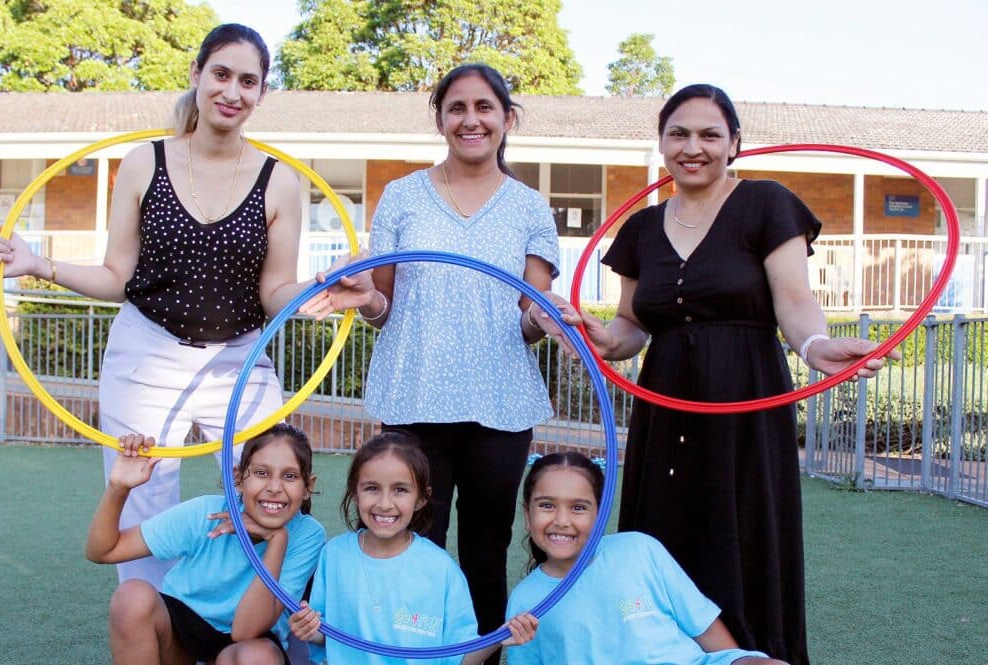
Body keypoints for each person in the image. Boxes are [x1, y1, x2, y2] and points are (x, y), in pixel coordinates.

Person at [0, 23, 375, 585]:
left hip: (240, 357)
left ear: (262, 93)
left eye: (248, 81)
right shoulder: (146, 163)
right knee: (145, 500)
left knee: (273, 487)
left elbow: (274, 293)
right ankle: (152, 625)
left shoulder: (279, 182)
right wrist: (38, 264)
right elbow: (119, 276)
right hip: (146, 353)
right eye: (220, 74)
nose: (232, 92)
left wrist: (327, 294)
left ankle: (256, 628)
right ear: (196, 74)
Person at [530, 84, 900, 664]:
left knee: (746, 527)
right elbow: (631, 326)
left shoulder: (766, 204)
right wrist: (602, 340)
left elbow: (795, 302)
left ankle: (754, 655)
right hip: (665, 400)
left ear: (734, 144)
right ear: (661, 144)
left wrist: (817, 344)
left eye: (709, 134)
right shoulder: (642, 230)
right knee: (663, 535)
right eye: (678, 133)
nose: (692, 147)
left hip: (746, 396)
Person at [341, 63, 559, 662]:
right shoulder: (403, 196)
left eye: (485, 107)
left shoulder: (530, 207)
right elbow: (381, 305)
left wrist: (545, 320)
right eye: (457, 108)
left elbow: (529, 316)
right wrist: (362, 299)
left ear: (506, 119)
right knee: (412, 541)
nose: (471, 120)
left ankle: (482, 657)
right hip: (414, 395)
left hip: (499, 401)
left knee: (486, 549)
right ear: (440, 118)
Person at [506, 452, 788, 665]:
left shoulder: (640, 549)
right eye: (547, 505)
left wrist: (739, 660)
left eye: (579, 507)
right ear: (527, 515)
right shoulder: (524, 601)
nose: (562, 520)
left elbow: (707, 630)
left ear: (601, 514)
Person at [288, 431, 537, 665]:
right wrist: (310, 630)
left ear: (421, 498)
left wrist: (500, 637)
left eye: (400, 490)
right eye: (372, 488)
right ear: (355, 492)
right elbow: (326, 635)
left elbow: (459, 657)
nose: (385, 504)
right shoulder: (334, 555)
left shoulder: (440, 569)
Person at [86, 423, 325, 665]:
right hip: (182, 639)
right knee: (131, 597)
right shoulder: (206, 512)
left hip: (246, 642)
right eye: (262, 473)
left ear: (308, 487)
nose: (274, 487)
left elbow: (245, 631)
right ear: (238, 479)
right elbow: (103, 550)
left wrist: (277, 539)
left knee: (256, 657)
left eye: (290, 476)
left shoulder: (307, 535)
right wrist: (119, 487)